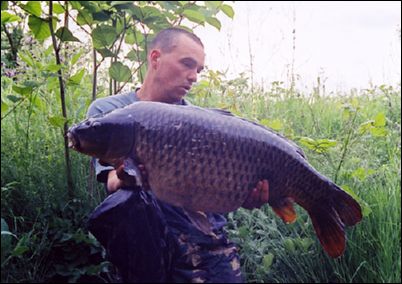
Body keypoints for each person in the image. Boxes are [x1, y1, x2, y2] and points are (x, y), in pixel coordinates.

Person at [86, 27, 269, 283]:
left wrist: (242, 195)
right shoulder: (111, 111)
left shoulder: (200, 122)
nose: (193, 76)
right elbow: (112, 182)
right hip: (146, 229)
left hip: (200, 226)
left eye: (198, 70)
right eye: (187, 64)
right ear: (156, 58)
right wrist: (129, 176)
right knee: (130, 201)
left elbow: (215, 191)